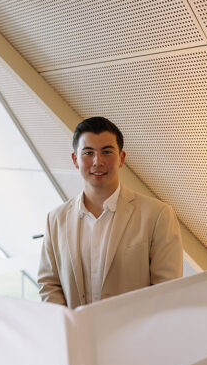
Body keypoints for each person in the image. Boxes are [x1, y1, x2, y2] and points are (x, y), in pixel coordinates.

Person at [37, 116, 183, 308]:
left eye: (107, 152)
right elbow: (49, 284)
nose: (97, 161)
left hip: (135, 334)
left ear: (122, 158)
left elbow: (167, 289)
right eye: (88, 153)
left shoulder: (158, 214)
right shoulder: (56, 218)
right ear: (75, 160)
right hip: (77, 334)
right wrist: (68, 325)